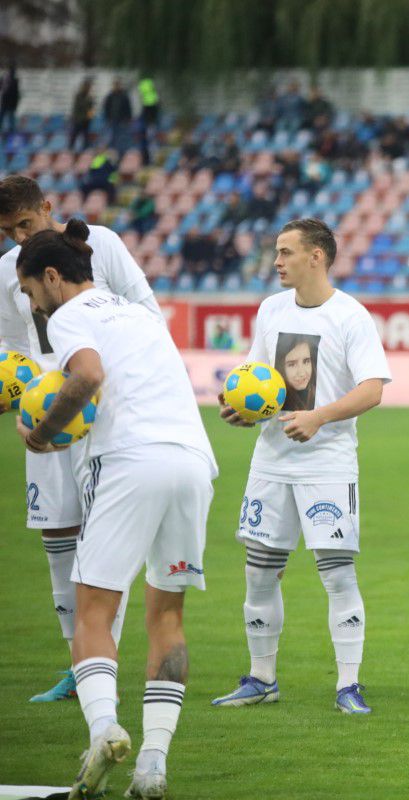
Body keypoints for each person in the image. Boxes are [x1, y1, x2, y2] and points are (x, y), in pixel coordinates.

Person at [15, 220, 217, 798]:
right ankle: (153, 762)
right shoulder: (141, 313)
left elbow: (89, 376)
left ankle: (103, 728)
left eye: (31, 291)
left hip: (129, 459)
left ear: (53, 278)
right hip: (192, 462)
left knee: (93, 612)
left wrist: (44, 432)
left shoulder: (72, 315)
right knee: (167, 616)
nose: (33, 303)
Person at [211, 219, 390, 715]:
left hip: (327, 464)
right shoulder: (270, 309)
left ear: (317, 256)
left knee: (336, 574)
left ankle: (348, 685)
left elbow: (373, 388)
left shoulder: (351, 316)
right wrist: (242, 411)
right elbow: (257, 381)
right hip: (270, 462)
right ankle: (261, 677)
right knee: (259, 574)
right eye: (276, 251)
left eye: (286, 252)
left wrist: (319, 416)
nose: (277, 261)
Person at [0, 175, 162, 704]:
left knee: (100, 540)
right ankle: (78, 666)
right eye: (7, 231)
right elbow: (10, 348)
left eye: (25, 224)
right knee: (57, 540)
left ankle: (101, 663)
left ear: (46, 207)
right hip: (45, 412)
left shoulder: (101, 243)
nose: (18, 238)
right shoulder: (7, 271)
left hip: (103, 412)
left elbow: (146, 310)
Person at [69, 78, 95, 152]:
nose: (88, 88)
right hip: (78, 120)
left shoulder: (90, 98)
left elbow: (91, 109)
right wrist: (76, 118)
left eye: (89, 87)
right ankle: (70, 149)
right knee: (74, 135)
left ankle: (85, 150)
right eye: (86, 86)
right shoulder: (78, 96)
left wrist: (90, 118)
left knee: (86, 136)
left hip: (86, 121)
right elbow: (76, 108)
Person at [0, 63, 19, 135]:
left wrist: (16, 103)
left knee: (11, 117)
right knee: (4, 116)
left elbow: (16, 93)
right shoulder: (4, 79)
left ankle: (12, 130)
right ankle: (9, 129)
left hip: (10, 102)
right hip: (6, 101)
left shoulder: (15, 80)